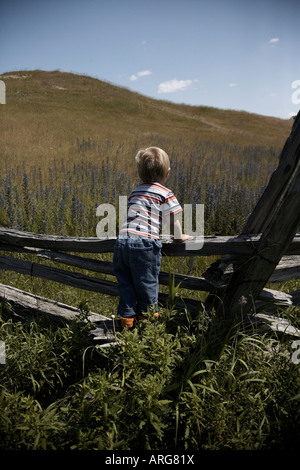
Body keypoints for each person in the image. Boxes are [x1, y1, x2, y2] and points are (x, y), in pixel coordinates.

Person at [113, 146, 190, 328]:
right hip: (144, 245)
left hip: (122, 241)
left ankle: (126, 321)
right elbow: (172, 220)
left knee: (125, 283)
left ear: (140, 173)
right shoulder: (165, 193)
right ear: (167, 173)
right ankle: (147, 326)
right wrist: (179, 236)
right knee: (146, 283)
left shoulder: (135, 192)